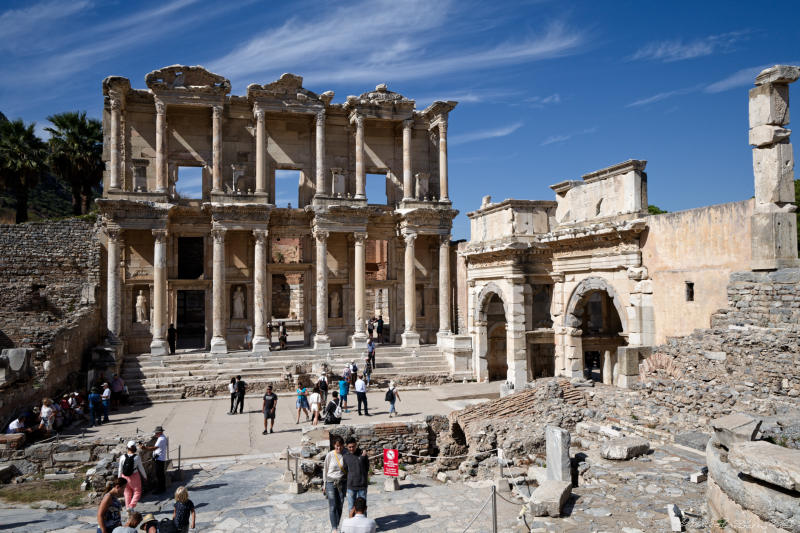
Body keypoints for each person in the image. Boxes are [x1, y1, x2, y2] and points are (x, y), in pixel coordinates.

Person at [323, 435, 347, 533]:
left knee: (340, 504)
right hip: (330, 482)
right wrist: (324, 484)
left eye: (340, 446)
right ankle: (334, 528)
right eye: (337, 446)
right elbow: (325, 469)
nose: (338, 448)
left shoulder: (346, 454)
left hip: (342, 482)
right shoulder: (330, 455)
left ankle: (336, 523)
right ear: (334, 445)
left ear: (343, 446)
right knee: (332, 505)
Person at [118, 440, 147, 513]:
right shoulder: (137, 457)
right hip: (134, 476)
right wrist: (145, 476)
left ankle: (128, 509)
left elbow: (120, 469)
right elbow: (141, 468)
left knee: (127, 493)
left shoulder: (122, 457)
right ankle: (131, 506)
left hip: (124, 477)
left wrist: (119, 479)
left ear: (127, 448)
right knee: (137, 492)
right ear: (134, 448)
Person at [343, 438, 370, 516]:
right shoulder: (345, 457)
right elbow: (345, 470)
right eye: (349, 447)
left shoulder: (363, 454)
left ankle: (364, 526)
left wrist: (362, 458)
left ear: (356, 445)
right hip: (351, 486)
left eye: (353, 446)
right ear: (347, 447)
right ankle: (351, 525)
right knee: (351, 507)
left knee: (362, 507)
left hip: (362, 485)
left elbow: (367, 468)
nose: (351, 448)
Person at [142, 426, 168, 494]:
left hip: (159, 459)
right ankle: (162, 488)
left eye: (156, 433)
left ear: (160, 432)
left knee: (159, 474)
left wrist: (145, 448)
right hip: (160, 458)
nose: (155, 434)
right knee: (161, 474)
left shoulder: (161, 439)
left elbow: (154, 448)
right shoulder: (163, 437)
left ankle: (160, 489)